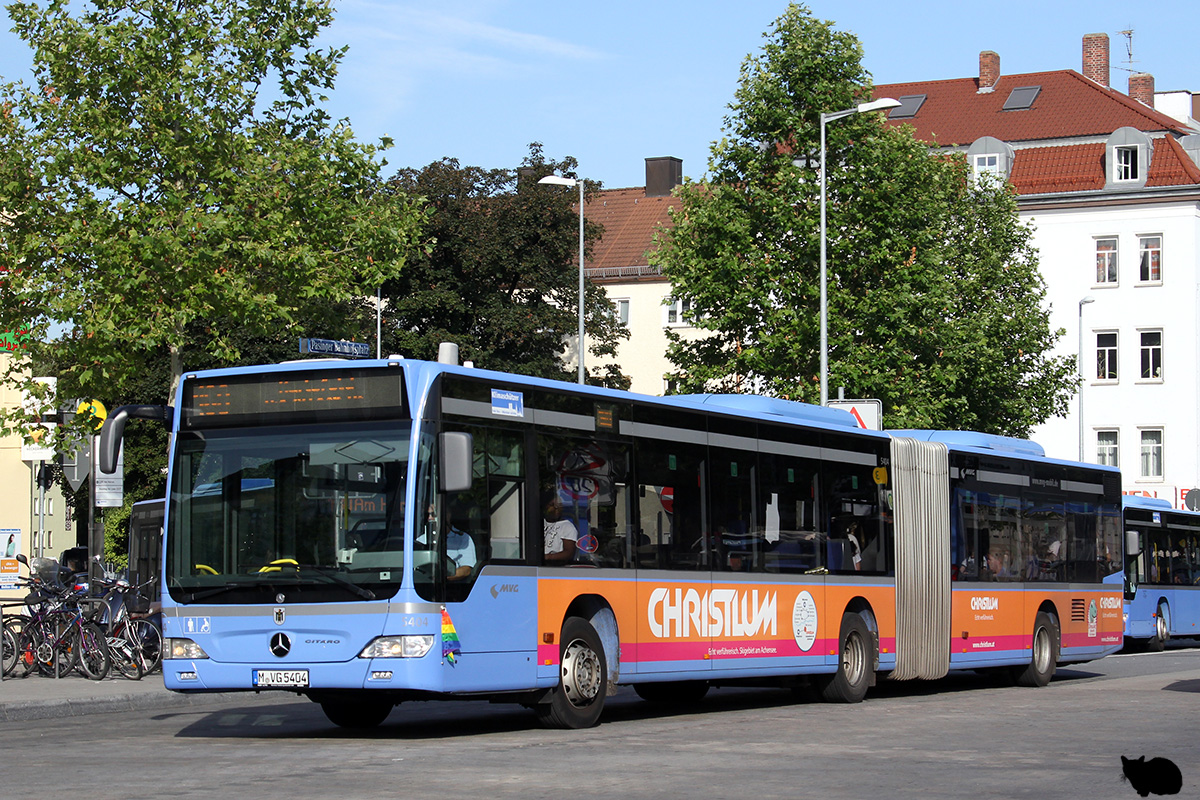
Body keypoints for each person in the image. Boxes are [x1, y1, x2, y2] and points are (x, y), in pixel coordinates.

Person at [543, 490, 578, 564]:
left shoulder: (567, 526)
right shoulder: (538, 523)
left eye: (559, 505)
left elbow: (569, 553)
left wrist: (547, 557)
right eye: (552, 505)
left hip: (555, 567)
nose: (556, 508)